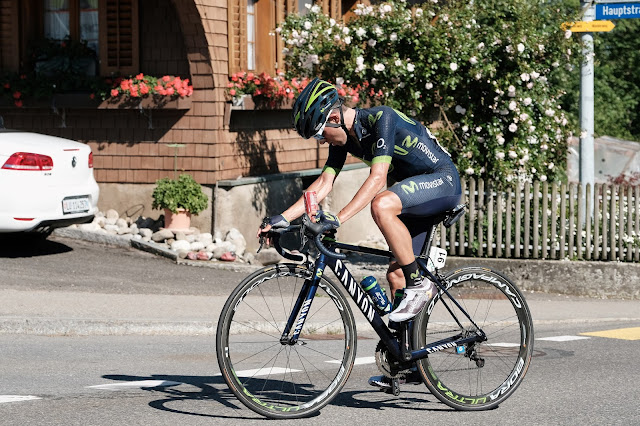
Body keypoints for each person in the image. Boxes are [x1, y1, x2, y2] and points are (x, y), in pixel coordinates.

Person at [257, 78, 462, 389]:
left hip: (441, 181)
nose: (322, 142)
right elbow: (323, 185)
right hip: (414, 193)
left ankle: (420, 285)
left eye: (320, 134)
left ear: (335, 118)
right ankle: (411, 363)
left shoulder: (382, 119)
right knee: (395, 275)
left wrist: (336, 219)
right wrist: (280, 218)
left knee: (381, 204)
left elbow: (378, 178)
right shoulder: (345, 140)